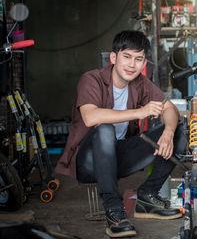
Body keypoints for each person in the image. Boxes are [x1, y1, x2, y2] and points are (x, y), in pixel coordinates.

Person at [55, 30, 185, 238]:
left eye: (138, 59)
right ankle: (114, 210)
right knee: (104, 128)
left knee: (179, 129)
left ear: (144, 63)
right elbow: (90, 117)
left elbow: (170, 109)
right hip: (89, 161)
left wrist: (168, 132)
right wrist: (140, 112)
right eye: (127, 57)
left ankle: (147, 197)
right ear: (114, 58)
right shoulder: (91, 79)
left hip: (118, 157)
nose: (132, 65)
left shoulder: (140, 83)